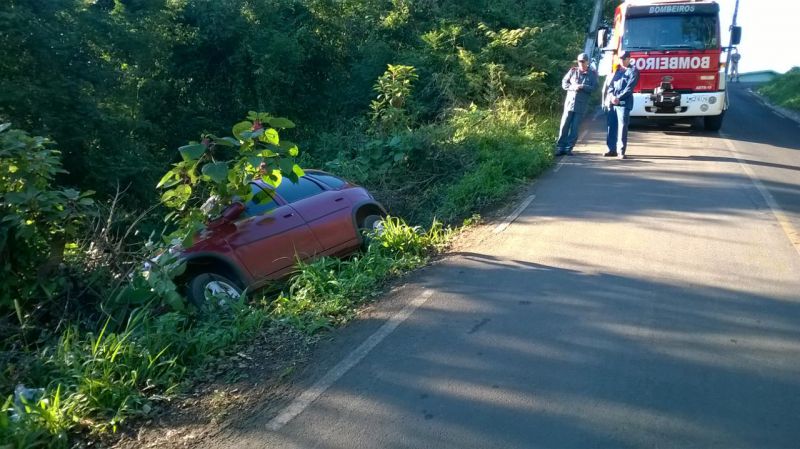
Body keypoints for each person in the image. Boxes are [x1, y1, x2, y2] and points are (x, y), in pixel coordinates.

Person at [555, 52, 598, 156]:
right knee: (564, 126)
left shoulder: (592, 74)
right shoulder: (573, 71)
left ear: (587, 62)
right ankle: (560, 148)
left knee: (574, 128)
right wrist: (573, 87)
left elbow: (595, 88)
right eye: (579, 61)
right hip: (569, 104)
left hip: (581, 105)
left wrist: (583, 86)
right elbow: (564, 83)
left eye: (583, 61)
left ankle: (569, 148)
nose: (581, 63)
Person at [604, 50, 639, 159]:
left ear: (629, 59)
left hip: (623, 103)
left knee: (622, 127)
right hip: (613, 103)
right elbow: (610, 86)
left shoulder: (633, 71)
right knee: (611, 126)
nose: (622, 61)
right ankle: (611, 150)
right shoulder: (617, 70)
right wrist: (611, 96)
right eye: (620, 59)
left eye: (624, 59)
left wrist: (618, 98)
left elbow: (629, 88)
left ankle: (621, 151)